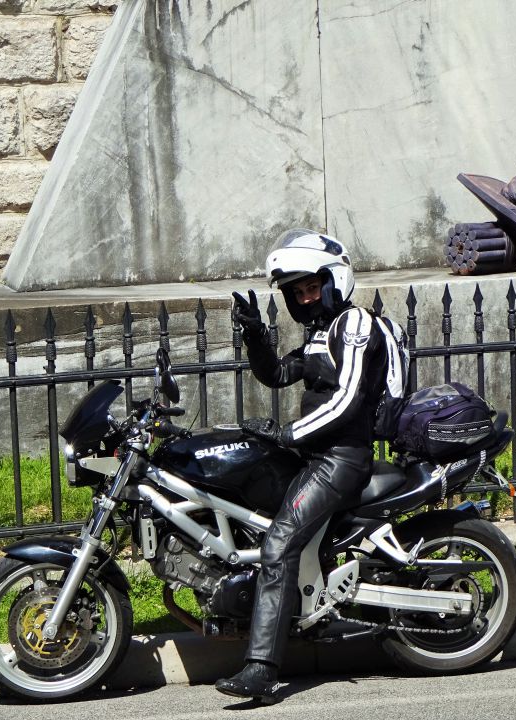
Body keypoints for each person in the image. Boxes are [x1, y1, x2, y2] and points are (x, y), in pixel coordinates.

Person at [215, 229, 406, 703]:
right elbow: (278, 373)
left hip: (342, 459)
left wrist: (287, 434)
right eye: (296, 291)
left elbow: (347, 400)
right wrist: (255, 334)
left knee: (279, 543)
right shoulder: (322, 333)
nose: (304, 297)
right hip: (316, 454)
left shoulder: (355, 324)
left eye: (311, 287)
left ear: (334, 279)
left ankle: (261, 670)